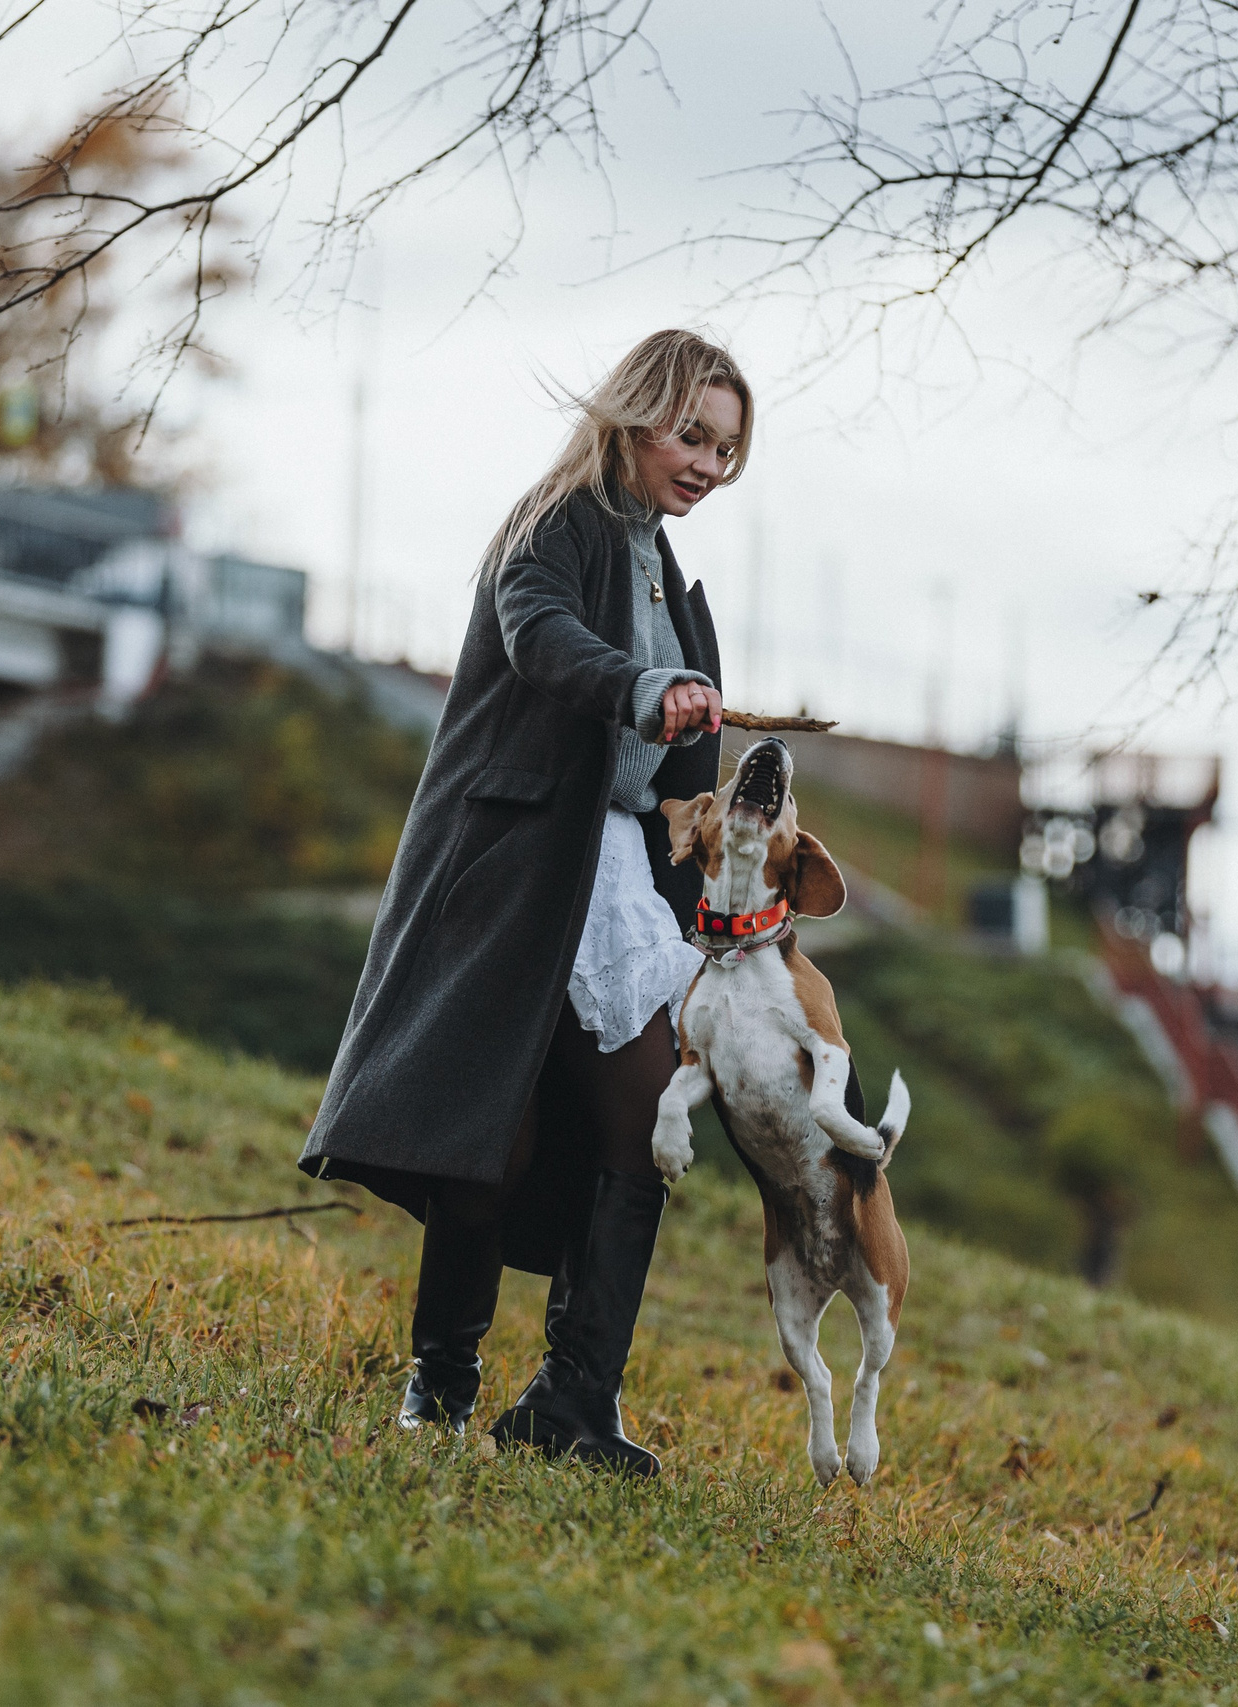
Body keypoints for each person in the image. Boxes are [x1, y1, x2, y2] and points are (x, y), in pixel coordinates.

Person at [298, 329, 747, 1477]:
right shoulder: (559, 519)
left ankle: (572, 1403)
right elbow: (540, 636)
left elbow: (673, 774)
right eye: (689, 434)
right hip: (510, 870)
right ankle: (439, 1385)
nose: (704, 463)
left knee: (644, 1128)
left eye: (725, 449)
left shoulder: (668, 574)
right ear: (634, 415)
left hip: (617, 890)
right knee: (487, 1140)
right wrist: (644, 687)